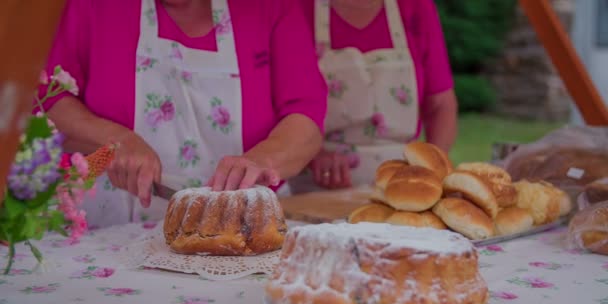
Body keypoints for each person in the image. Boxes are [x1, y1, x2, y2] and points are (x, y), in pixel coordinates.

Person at [39, 0, 327, 228]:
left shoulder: (271, 6)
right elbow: (49, 100)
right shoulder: (91, 5)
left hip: (243, 230)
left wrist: (262, 160)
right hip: (114, 231)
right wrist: (116, 140)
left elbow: (306, 115)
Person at [289, 0, 457, 193]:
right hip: (316, 189)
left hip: (402, 184)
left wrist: (431, 170)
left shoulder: (415, 7)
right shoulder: (297, 8)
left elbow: (441, 105)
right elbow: (279, 108)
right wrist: (311, 154)